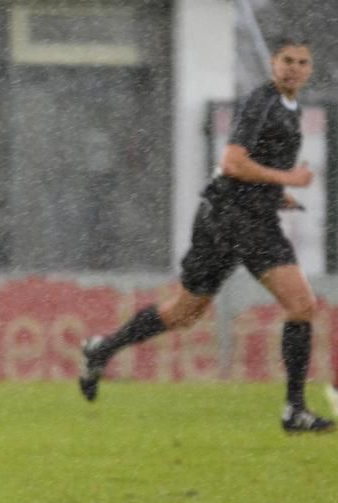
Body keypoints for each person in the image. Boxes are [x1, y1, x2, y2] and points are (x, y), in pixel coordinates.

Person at [78, 37, 333, 434]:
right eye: (287, 60)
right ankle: (294, 411)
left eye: (302, 62)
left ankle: (102, 348)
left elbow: (250, 167)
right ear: (272, 62)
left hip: (225, 215)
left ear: (310, 68)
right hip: (238, 218)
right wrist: (290, 179)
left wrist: (276, 193)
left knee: (183, 312)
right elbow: (232, 162)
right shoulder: (261, 101)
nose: (294, 68)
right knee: (301, 305)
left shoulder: (288, 106)